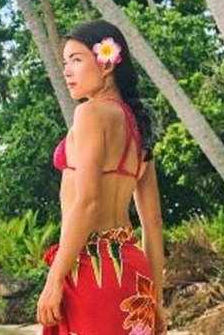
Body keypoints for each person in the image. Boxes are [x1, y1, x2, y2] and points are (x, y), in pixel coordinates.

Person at [35, 20, 167, 335]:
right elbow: (153, 222)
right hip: (132, 270)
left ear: (106, 64)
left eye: (76, 60)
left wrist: (54, 279)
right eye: (65, 63)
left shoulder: (90, 113)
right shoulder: (138, 127)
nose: (67, 71)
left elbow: (89, 201)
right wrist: (156, 299)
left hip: (93, 270)